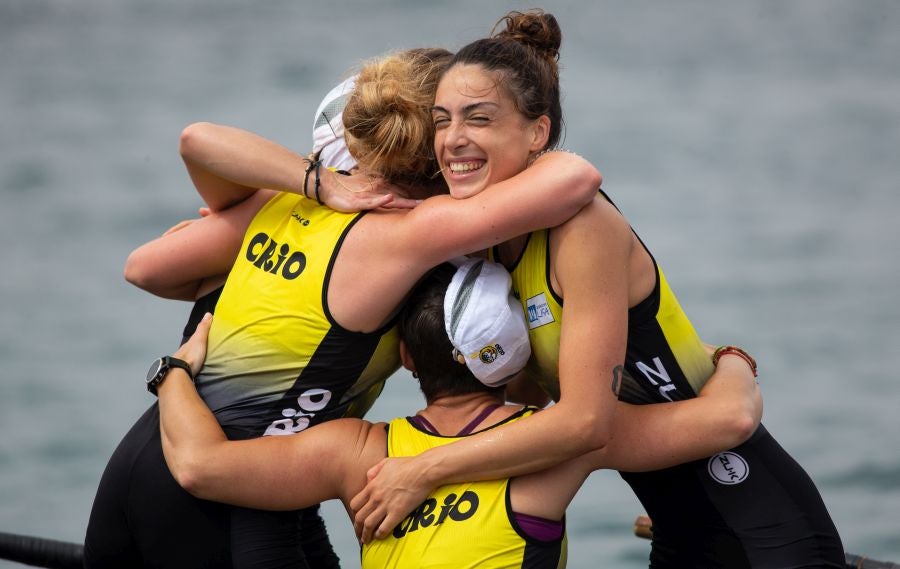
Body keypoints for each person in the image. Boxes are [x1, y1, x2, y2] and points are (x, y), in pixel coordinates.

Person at [348, 10, 846, 568]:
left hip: (767, 531)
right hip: (676, 530)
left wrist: (423, 469)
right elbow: (529, 405)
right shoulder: (488, 248)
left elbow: (585, 424)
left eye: (479, 118)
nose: (454, 140)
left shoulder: (582, 229)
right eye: (442, 121)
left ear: (537, 131)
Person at [83, 46, 606, 569]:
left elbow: (151, 259)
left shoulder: (284, 202)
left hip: (148, 454)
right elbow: (574, 179)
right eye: (446, 120)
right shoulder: (417, 232)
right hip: (228, 499)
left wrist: (315, 182)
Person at [155, 259, 760, 569]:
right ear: (516, 349)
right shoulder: (562, 446)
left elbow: (197, 466)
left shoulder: (356, 453)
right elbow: (731, 418)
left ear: (407, 358)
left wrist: (176, 372)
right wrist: (730, 358)